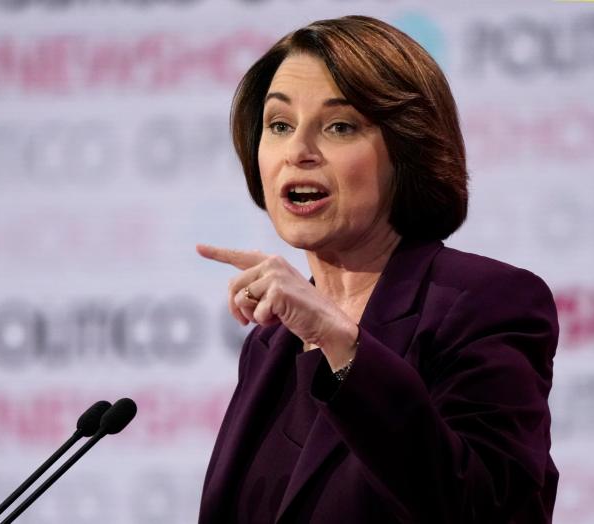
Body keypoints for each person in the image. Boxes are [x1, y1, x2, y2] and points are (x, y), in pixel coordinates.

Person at [196, 15, 558, 524]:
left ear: (406, 150)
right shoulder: (270, 344)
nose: (297, 152)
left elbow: (495, 510)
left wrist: (342, 347)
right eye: (279, 125)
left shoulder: (484, 303)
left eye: (339, 126)